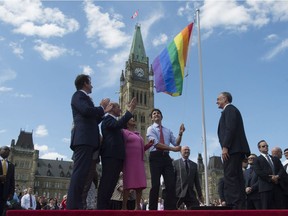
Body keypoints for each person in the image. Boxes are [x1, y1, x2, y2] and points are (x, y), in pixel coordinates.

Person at [67, 74, 112, 209]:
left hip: (88, 140)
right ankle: (72, 205)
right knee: (79, 172)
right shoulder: (78, 96)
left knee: (84, 174)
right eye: (90, 83)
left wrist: (103, 113)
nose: (92, 86)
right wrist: (102, 108)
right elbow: (86, 111)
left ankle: (78, 203)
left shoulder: (84, 98)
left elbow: (93, 120)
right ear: (85, 83)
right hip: (83, 139)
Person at [97, 98, 137, 210]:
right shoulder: (107, 119)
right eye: (118, 107)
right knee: (107, 182)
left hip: (117, 156)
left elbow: (123, 124)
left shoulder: (114, 121)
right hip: (110, 155)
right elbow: (119, 124)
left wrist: (130, 112)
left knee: (111, 183)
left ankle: (104, 206)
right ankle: (101, 208)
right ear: (111, 108)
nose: (120, 109)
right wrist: (129, 111)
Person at [216, 92, 250, 209]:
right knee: (237, 177)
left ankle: (234, 204)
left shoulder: (229, 110)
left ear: (225, 99)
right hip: (237, 149)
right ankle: (240, 204)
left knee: (230, 177)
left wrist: (225, 146)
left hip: (232, 150)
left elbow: (230, 129)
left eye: (218, 99)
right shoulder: (232, 110)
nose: (216, 102)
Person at [146, 108, 184, 210]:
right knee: (155, 184)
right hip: (155, 157)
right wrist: (172, 149)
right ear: (151, 118)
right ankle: (152, 209)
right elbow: (156, 144)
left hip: (166, 158)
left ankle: (170, 208)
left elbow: (176, 143)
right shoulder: (150, 129)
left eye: (158, 113)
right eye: (154, 114)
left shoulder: (167, 130)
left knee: (170, 184)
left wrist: (180, 133)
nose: (156, 114)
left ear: (161, 117)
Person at [121, 117, 154, 210]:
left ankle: (137, 206)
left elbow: (141, 148)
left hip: (139, 161)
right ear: (126, 123)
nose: (134, 119)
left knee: (140, 185)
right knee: (128, 183)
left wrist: (149, 145)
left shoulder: (138, 134)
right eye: (131, 119)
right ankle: (124, 207)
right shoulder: (124, 132)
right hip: (129, 160)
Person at [253, 140, 284, 209]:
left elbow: (281, 169)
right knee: (266, 209)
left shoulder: (275, 158)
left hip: (277, 186)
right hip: (265, 188)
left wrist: (277, 176)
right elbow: (259, 172)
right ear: (259, 148)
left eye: (267, 146)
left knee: (279, 208)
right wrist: (271, 178)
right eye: (263, 146)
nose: (266, 147)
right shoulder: (257, 160)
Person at [0, 146, 15, 216]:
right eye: (5, 149)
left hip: (4, 194)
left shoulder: (11, 165)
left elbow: (12, 180)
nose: (7, 151)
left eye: (9, 150)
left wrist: (11, 193)